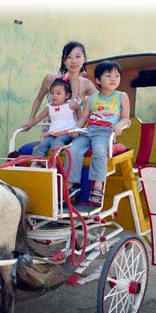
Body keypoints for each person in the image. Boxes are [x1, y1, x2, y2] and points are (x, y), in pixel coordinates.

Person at [66, 60, 130, 206]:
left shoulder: (121, 96)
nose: (113, 79)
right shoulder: (92, 98)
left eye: (117, 75)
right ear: (98, 80)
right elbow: (83, 119)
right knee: (73, 149)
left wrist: (119, 125)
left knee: (99, 150)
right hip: (88, 131)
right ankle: (70, 185)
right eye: (108, 76)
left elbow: (125, 118)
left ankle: (98, 186)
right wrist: (75, 129)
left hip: (105, 132)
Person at [27, 41, 97, 126]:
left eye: (77, 56)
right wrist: (31, 120)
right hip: (50, 129)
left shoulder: (86, 84)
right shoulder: (50, 79)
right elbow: (38, 99)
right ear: (64, 61)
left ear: (84, 59)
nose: (73, 61)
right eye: (69, 57)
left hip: (73, 130)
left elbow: (100, 100)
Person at [20, 78, 80, 158]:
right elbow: (39, 118)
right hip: (53, 133)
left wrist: (78, 129)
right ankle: (36, 162)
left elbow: (80, 112)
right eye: (52, 93)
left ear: (67, 95)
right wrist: (29, 125)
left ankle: (54, 162)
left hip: (67, 133)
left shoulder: (70, 105)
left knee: (57, 142)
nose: (54, 96)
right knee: (43, 144)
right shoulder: (49, 107)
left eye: (58, 93)